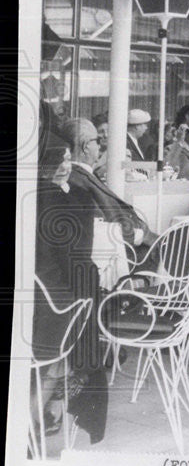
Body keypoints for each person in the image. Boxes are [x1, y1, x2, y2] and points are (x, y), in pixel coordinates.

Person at [33, 135, 107, 446]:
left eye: (68, 158)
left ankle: (47, 412)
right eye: (59, 160)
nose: (65, 165)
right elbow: (74, 256)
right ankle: (36, 415)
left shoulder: (40, 196)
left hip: (46, 295)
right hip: (56, 303)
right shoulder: (61, 199)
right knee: (85, 324)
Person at [60, 118, 151, 251]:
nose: (99, 146)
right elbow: (100, 225)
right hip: (133, 252)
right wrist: (140, 235)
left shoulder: (81, 175)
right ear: (86, 147)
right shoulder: (78, 181)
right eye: (96, 141)